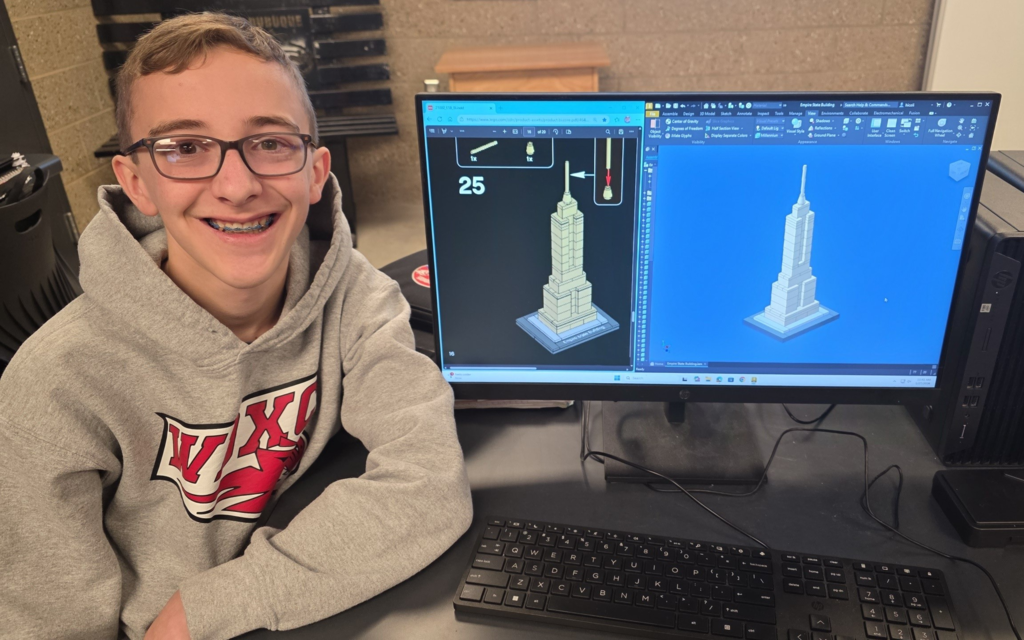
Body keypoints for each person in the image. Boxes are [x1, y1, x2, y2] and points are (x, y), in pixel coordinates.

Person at [0, 12, 472, 640]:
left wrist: (212, 606)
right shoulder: (54, 386)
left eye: (271, 142)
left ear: (314, 171)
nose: (237, 185)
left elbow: (430, 481)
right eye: (185, 148)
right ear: (136, 183)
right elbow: (51, 621)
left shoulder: (354, 296)